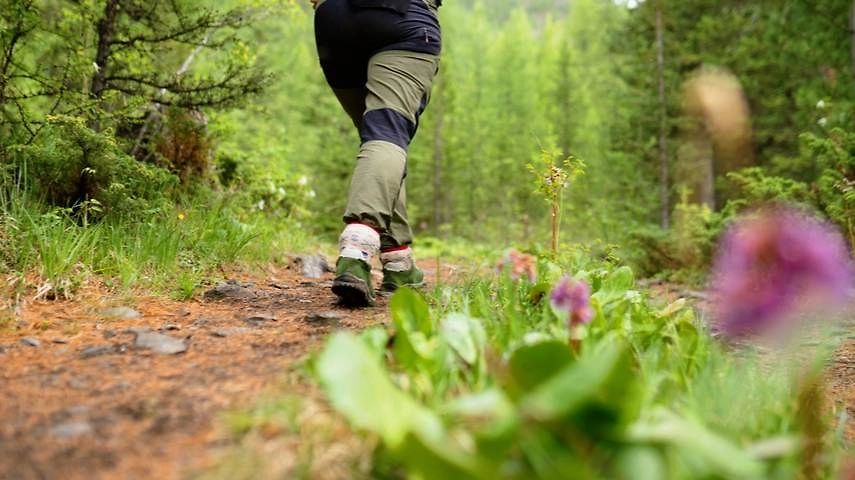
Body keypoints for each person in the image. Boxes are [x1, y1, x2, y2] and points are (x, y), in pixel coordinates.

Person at [312, 0, 442, 306]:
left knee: (379, 140)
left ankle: (399, 263)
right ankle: (356, 253)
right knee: (386, 133)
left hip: (334, 23)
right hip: (402, 17)